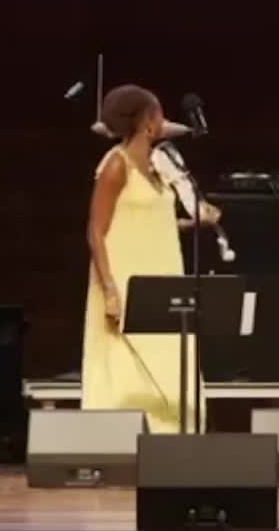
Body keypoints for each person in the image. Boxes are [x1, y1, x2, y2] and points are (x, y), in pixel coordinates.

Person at [81, 84, 205, 434]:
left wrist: (191, 222)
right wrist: (110, 289)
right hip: (126, 281)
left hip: (163, 276)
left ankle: (174, 440)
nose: (165, 121)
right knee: (128, 370)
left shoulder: (155, 166)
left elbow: (145, 219)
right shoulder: (116, 165)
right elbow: (95, 230)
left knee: (170, 362)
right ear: (147, 122)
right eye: (159, 113)